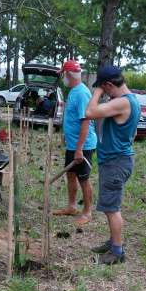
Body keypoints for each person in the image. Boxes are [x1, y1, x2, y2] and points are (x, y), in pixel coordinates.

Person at [84, 65, 140, 265]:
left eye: (103, 88)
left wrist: (97, 91)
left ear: (108, 85)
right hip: (117, 160)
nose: (102, 92)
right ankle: (113, 241)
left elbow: (90, 112)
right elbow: (131, 134)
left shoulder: (123, 102)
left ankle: (117, 252)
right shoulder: (129, 100)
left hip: (116, 163)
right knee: (110, 206)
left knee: (112, 208)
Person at [53, 59, 97, 227]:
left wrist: (79, 149)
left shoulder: (81, 93)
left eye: (63, 74)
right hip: (73, 144)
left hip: (83, 146)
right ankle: (71, 206)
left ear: (69, 74)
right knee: (70, 175)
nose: (63, 77)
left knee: (83, 178)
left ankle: (87, 212)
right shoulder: (73, 91)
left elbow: (85, 122)